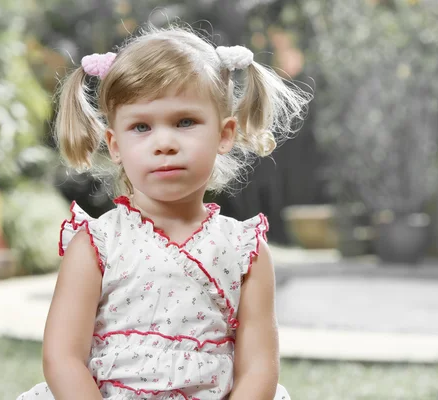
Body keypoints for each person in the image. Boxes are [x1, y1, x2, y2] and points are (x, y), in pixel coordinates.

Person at [17, 23, 310, 400]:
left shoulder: (244, 251)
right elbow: (63, 358)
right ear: (115, 143)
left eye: (184, 122)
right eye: (141, 127)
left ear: (224, 134)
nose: (164, 143)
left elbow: (259, 367)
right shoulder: (96, 244)